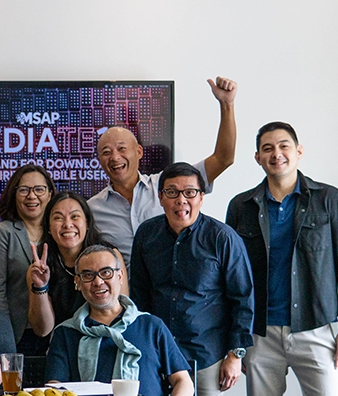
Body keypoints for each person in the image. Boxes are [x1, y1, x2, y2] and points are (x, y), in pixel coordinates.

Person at [226, 122, 338, 396]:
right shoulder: (241, 206)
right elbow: (231, 276)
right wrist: (236, 339)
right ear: (257, 157)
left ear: (298, 151)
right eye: (268, 148)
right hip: (260, 334)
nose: (277, 154)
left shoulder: (328, 199)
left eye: (284, 146)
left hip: (315, 329)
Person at [130, 162, 254, 396]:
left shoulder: (222, 238)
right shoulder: (146, 235)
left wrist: (235, 355)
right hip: (159, 355)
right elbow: (139, 296)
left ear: (201, 197)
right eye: (172, 192)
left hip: (206, 356)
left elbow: (242, 299)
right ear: (160, 197)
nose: (181, 200)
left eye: (189, 192)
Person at [88, 77, 238, 265]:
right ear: (99, 161)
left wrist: (227, 104)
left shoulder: (169, 186)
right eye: (106, 152)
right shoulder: (92, 209)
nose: (115, 157)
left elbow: (223, 159)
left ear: (139, 152)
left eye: (122, 148)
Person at [45, 245, 194, 396]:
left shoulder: (151, 326)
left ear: (120, 276)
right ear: (78, 283)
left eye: (106, 272)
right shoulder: (66, 332)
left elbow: (183, 382)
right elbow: (55, 388)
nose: (98, 282)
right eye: (88, 275)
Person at [0, 163, 58, 355]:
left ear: (50, 194)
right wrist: (5, 338)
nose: (31, 196)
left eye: (39, 189)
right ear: (14, 195)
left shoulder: (60, 231)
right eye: (24, 190)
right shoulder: (2, 233)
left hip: (59, 333)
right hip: (19, 335)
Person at [27, 191, 123, 338]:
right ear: (48, 227)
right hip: (58, 342)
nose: (67, 225)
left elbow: (121, 315)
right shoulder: (40, 266)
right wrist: (40, 287)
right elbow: (42, 330)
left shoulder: (109, 257)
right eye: (58, 218)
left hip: (104, 339)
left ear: (87, 222)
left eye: (75, 216)